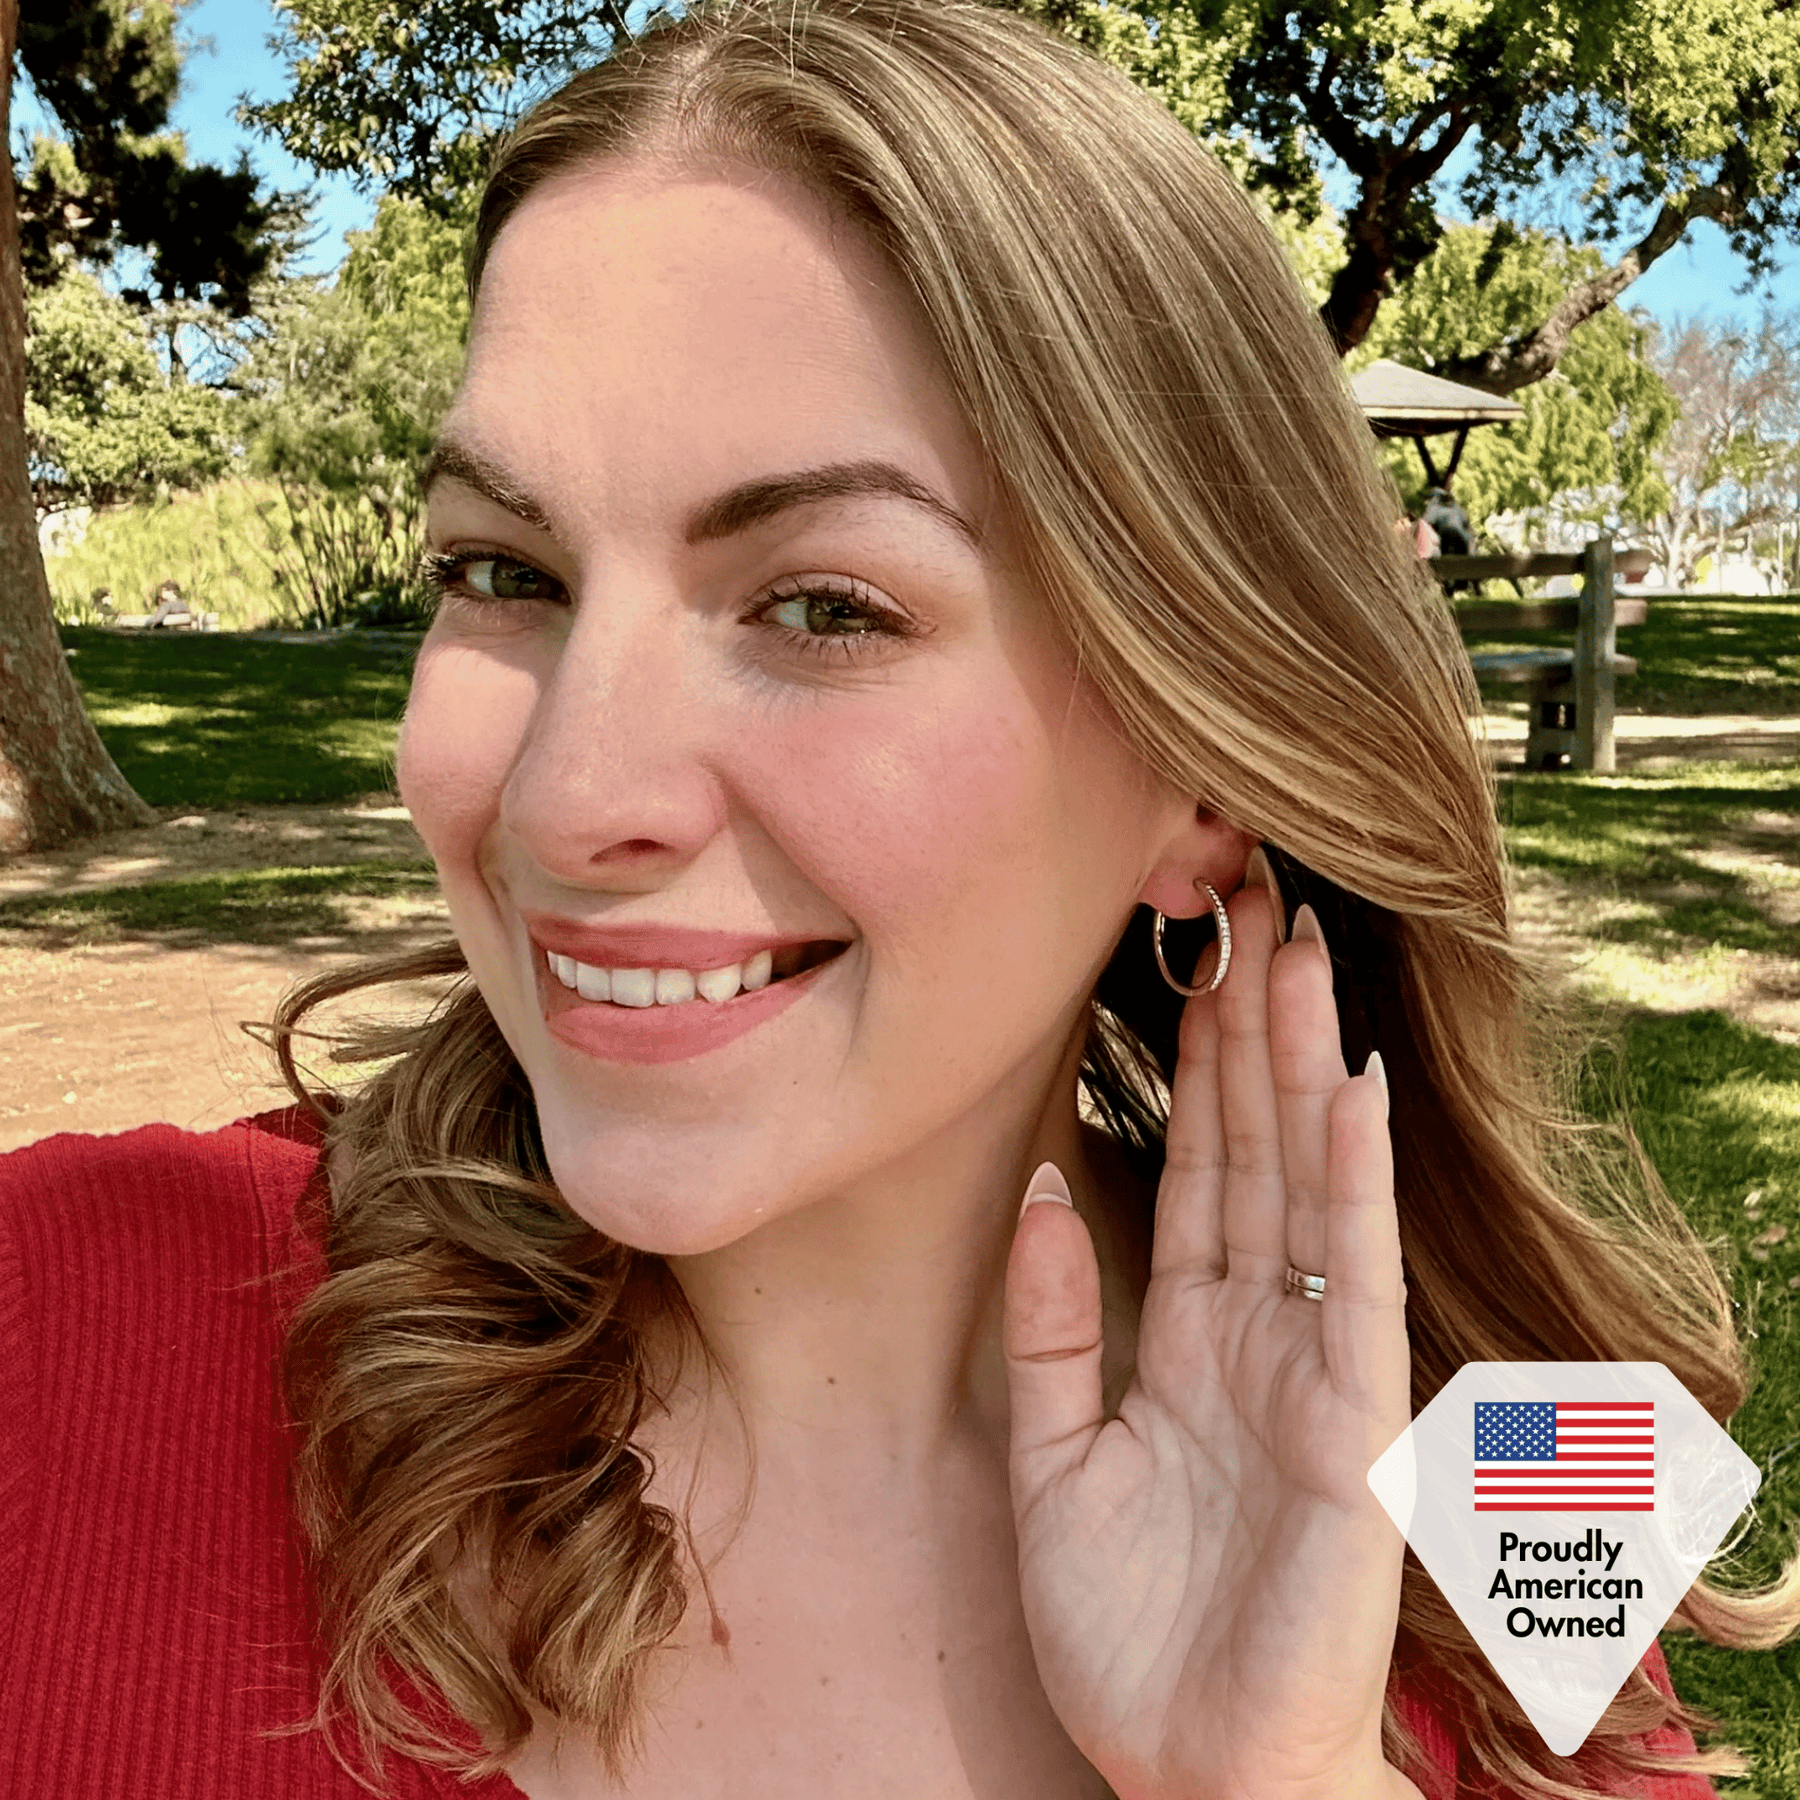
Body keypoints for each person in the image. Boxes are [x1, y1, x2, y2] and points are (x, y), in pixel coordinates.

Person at [3, 0, 1795, 1795]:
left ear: (1206, 781)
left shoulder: (1534, 1464)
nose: (564, 798)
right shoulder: (62, 1317)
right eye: (502, 571)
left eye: (825, 607)